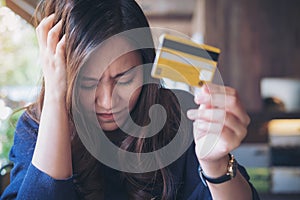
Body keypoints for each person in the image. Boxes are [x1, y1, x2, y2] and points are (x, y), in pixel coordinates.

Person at [1, 0, 260, 199]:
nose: (106, 101)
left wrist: (215, 163)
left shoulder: (183, 116)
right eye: (87, 83)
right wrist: (56, 98)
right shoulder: (35, 127)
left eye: (124, 79)